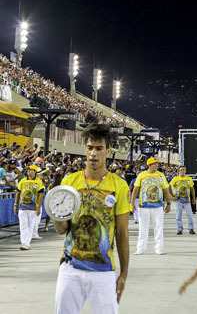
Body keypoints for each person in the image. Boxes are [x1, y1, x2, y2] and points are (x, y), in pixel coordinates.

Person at [53, 124, 130, 314]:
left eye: (99, 148)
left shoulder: (119, 186)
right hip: (71, 267)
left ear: (108, 151)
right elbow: (61, 229)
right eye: (90, 148)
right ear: (84, 149)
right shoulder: (69, 182)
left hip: (103, 270)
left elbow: (122, 233)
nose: (93, 153)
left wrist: (124, 273)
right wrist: (56, 212)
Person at [132, 157, 172, 255]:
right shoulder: (142, 175)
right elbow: (135, 189)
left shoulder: (161, 175)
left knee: (158, 227)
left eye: (157, 164)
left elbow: (165, 189)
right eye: (154, 164)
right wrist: (132, 203)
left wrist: (168, 203)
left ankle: (159, 248)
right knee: (143, 228)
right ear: (149, 165)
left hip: (158, 206)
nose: (156, 165)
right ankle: (140, 248)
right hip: (143, 207)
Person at [13, 165, 44, 250]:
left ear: (35, 172)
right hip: (22, 207)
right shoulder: (22, 181)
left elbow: (41, 195)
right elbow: (18, 193)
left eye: (31, 170)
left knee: (30, 226)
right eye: (28, 170)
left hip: (33, 208)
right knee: (23, 226)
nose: (29, 172)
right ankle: (24, 243)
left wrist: (39, 208)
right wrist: (15, 204)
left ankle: (27, 243)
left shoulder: (38, 182)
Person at [169, 165, 196, 235]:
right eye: (181, 170)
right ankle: (179, 229)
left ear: (185, 171)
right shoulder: (175, 179)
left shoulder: (188, 179)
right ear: (178, 171)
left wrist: (194, 198)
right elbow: (169, 187)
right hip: (178, 201)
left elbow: (192, 189)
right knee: (178, 216)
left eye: (184, 170)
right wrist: (172, 196)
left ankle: (191, 228)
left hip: (187, 201)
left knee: (190, 215)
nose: (182, 171)